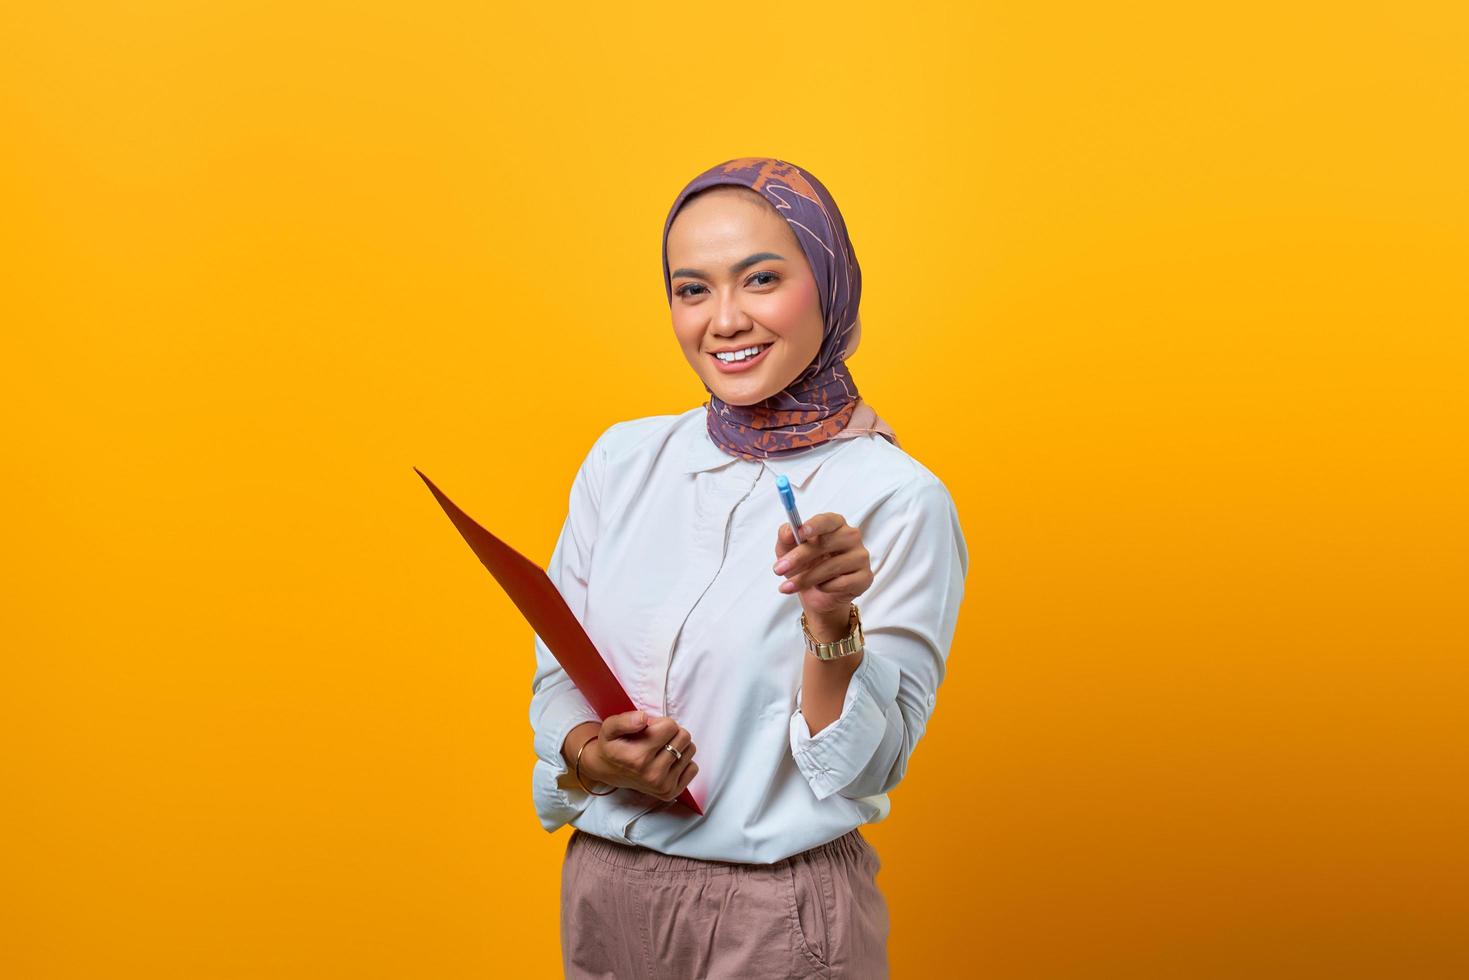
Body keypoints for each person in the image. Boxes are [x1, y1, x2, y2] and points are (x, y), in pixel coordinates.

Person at [528, 157, 969, 978]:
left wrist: (831, 626)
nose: (723, 320)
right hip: (601, 894)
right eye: (691, 289)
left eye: (760, 279)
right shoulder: (623, 460)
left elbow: (864, 769)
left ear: (828, 283)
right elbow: (558, 677)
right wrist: (590, 755)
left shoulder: (897, 498)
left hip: (772, 915)